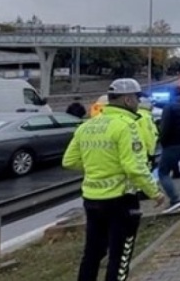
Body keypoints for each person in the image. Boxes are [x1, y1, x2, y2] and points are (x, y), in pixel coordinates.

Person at [62, 78, 164, 281]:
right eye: (136, 98)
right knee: (120, 257)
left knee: (92, 254)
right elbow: (134, 167)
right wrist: (154, 192)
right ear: (127, 100)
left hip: (91, 200)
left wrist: (95, 166)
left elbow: (69, 161)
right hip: (121, 200)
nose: (138, 102)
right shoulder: (127, 126)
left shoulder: (88, 126)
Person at [136, 97, 159, 170]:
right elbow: (148, 135)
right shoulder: (145, 117)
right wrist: (150, 152)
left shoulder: (137, 114)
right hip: (146, 151)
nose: (152, 106)